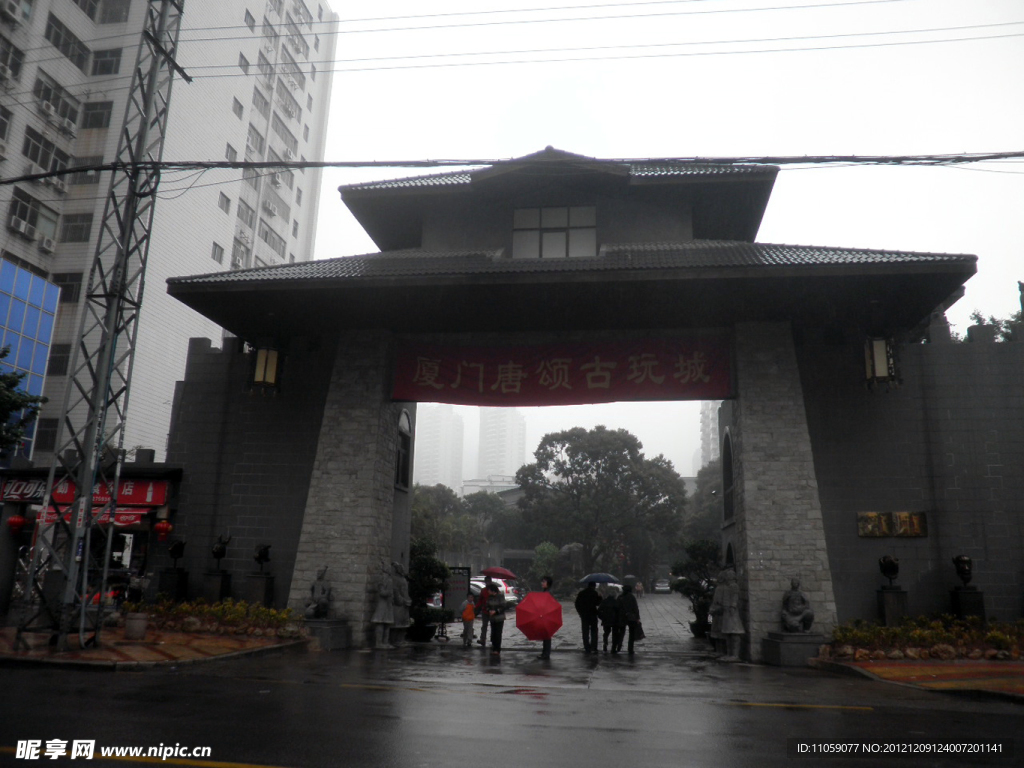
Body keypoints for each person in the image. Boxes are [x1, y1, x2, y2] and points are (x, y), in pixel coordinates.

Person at [574, 581, 602, 654]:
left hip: (584, 615)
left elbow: (577, 604)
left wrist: (580, 613)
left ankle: (586, 647)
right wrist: (600, 597)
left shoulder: (582, 593)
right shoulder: (594, 593)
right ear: (594, 586)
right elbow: (598, 603)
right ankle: (594, 646)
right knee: (594, 631)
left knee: (585, 631)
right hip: (592, 614)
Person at [616, 583, 641, 655]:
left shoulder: (620, 597)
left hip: (622, 617)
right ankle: (630, 649)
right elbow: (635, 608)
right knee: (631, 634)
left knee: (621, 633)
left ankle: (619, 646)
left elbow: (617, 607)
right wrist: (637, 618)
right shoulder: (632, 597)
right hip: (631, 617)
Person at [597, 586, 620, 653]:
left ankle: (605, 643)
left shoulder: (604, 601)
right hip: (614, 620)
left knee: (606, 633)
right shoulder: (616, 602)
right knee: (615, 634)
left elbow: (599, 610)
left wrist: (602, 617)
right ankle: (613, 647)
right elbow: (619, 611)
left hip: (606, 620)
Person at [486, 583, 506, 655]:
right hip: (492, 618)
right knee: (493, 633)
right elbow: (487, 605)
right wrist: (489, 611)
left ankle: (497, 649)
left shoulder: (500, 596)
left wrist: (496, 611)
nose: (488, 591)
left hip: (499, 618)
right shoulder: (489, 597)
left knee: (498, 633)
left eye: (489, 590)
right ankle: (494, 647)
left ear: (492, 590)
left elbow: (503, 606)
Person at [537, 575, 554, 660]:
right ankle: (545, 653)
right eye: (542, 581)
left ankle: (546, 654)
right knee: (545, 635)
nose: (542, 583)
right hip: (544, 615)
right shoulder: (545, 591)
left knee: (547, 635)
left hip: (547, 616)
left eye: (544, 581)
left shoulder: (548, 593)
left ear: (548, 583)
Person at [475, 575, 494, 646]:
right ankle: (483, 639)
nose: (488, 583)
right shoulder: (483, 590)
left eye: (489, 581)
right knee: (484, 626)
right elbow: (480, 600)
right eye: (487, 581)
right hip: (485, 610)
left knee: (493, 626)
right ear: (485, 582)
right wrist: (476, 607)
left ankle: (493, 639)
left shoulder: (494, 589)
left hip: (492, 611)